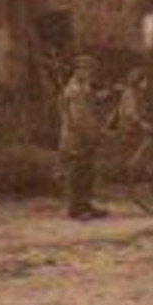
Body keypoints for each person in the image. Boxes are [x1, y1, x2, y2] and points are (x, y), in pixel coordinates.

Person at [60, 54, 109, 220]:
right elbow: (79, 118)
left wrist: (105, 95)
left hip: (84, 137)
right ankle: (75, 209)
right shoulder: (75, 91)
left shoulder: (84, 88)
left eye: (92, 70)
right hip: (75, 137)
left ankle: (85, 205)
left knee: (87, 172)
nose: (91, 74)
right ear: (78, 71)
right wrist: (94, 134)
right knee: (76, 173)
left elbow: (92, 100)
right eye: (87, 70)